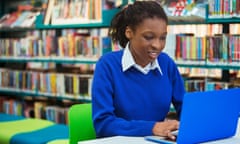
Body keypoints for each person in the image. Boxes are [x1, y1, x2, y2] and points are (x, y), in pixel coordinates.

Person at [91, 1, 185, 140]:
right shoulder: (107, 65)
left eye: (163, 38)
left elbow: (185, 108)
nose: (157, 45)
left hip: (156, 140)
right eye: (148, 37)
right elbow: (103, 124)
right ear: (129, 32)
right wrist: (152, 127)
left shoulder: (167, 64)